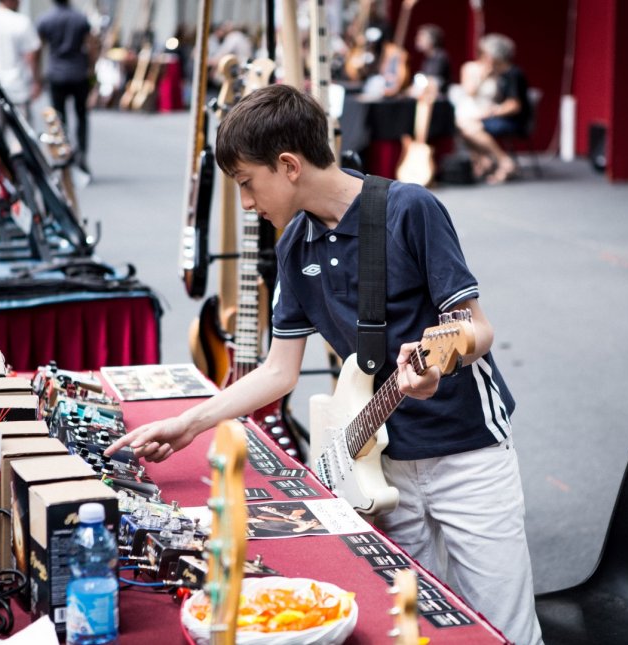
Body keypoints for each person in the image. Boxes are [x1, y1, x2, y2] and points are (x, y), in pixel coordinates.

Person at [106, 83, 544, 645]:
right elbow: (278, 371)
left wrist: (440, 363)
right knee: (413, 625)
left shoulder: (410, 209)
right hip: (379, 461)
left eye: (246, 182)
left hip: (467, 451)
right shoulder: (294, 246)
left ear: (288, 166)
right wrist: (189, 423)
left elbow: (476, 327)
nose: (246, 203)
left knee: (505, 627)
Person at [455, 33, 531, 184]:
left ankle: (503, 161)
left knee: (469, 128)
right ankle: (487, 161)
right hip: (500, 116)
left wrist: (490, 112)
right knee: (464, 127)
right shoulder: (499, 73)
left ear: (495, 56)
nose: (484, 57)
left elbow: (514, 106)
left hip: (513, 120)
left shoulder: (513, 74)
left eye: (487, 54)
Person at [37, 0, 96, 173]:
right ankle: (81, 154)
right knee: (81, 116)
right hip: (79, 73)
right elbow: (91, 45)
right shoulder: (80, 18)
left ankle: (64, 155)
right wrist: (91, 69)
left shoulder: (45, 19)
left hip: (56, 74)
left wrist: (38, 75)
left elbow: (39, 48)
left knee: (59, 118)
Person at [413, 23, 450, 96]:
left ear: (432, 40)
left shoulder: (440, 56)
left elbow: (433, 81)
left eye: (422, 37)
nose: (418, 40)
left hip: (439, 97)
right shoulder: (427, 58)